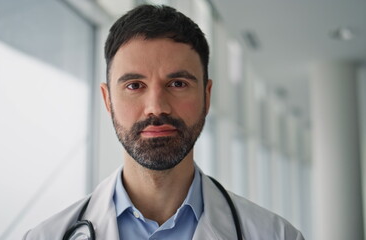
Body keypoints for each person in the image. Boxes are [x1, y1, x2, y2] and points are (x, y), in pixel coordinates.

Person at [24, 4, 304, 240]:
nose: (156, 107)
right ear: (107, 100)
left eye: (178, 83)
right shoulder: (45, 236)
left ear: (207, 96)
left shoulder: (276, 235)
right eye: (134, 85)